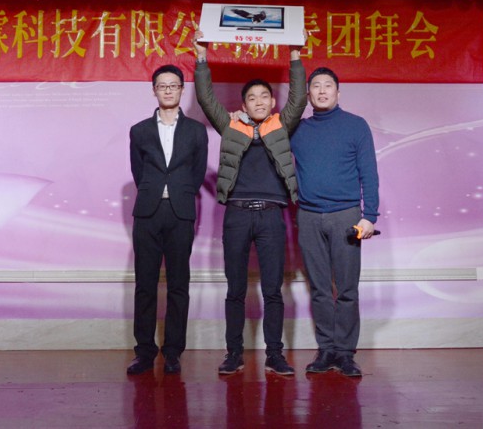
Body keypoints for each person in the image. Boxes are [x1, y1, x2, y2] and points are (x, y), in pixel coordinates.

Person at [193, 30, 306, 376]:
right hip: (237, 216)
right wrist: (201, 57)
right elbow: (206, 98)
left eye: (264, 96)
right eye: (252, 98)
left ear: (272, 103)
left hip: (272, 217)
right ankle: (234, 354)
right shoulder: (230, 126)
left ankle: (275, 354)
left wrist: (295, 56)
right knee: (236, 289)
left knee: (273, 290)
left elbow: (299, 98)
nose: (258, 101)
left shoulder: (281, 125)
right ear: (243, 105)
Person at [290, 67, 380, 378]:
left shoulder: (356, 125)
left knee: (346, 288)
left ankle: (345, 353)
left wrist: (370, 216)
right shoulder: (298, 129)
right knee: (318, 288)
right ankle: (326, 349)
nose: (322, 91)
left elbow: (369, 172)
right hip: (308, 215)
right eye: (316, 86)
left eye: (328, 85)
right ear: (308, 95)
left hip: (346, 216)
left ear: (338, 92)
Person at [127, 64, 209, 375]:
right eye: (162, 86)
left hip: (180, 212)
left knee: (178, 285)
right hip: (148, 213)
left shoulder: (196, 131)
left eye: (174, 85)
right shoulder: (139, 131)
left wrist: (179, 193)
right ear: (154, 90)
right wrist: (155, 192)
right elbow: (139, 172)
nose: (168, 90)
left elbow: (197, 173)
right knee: (145, 285)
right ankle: (144, 352)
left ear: (181, 90)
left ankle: (173, 351)